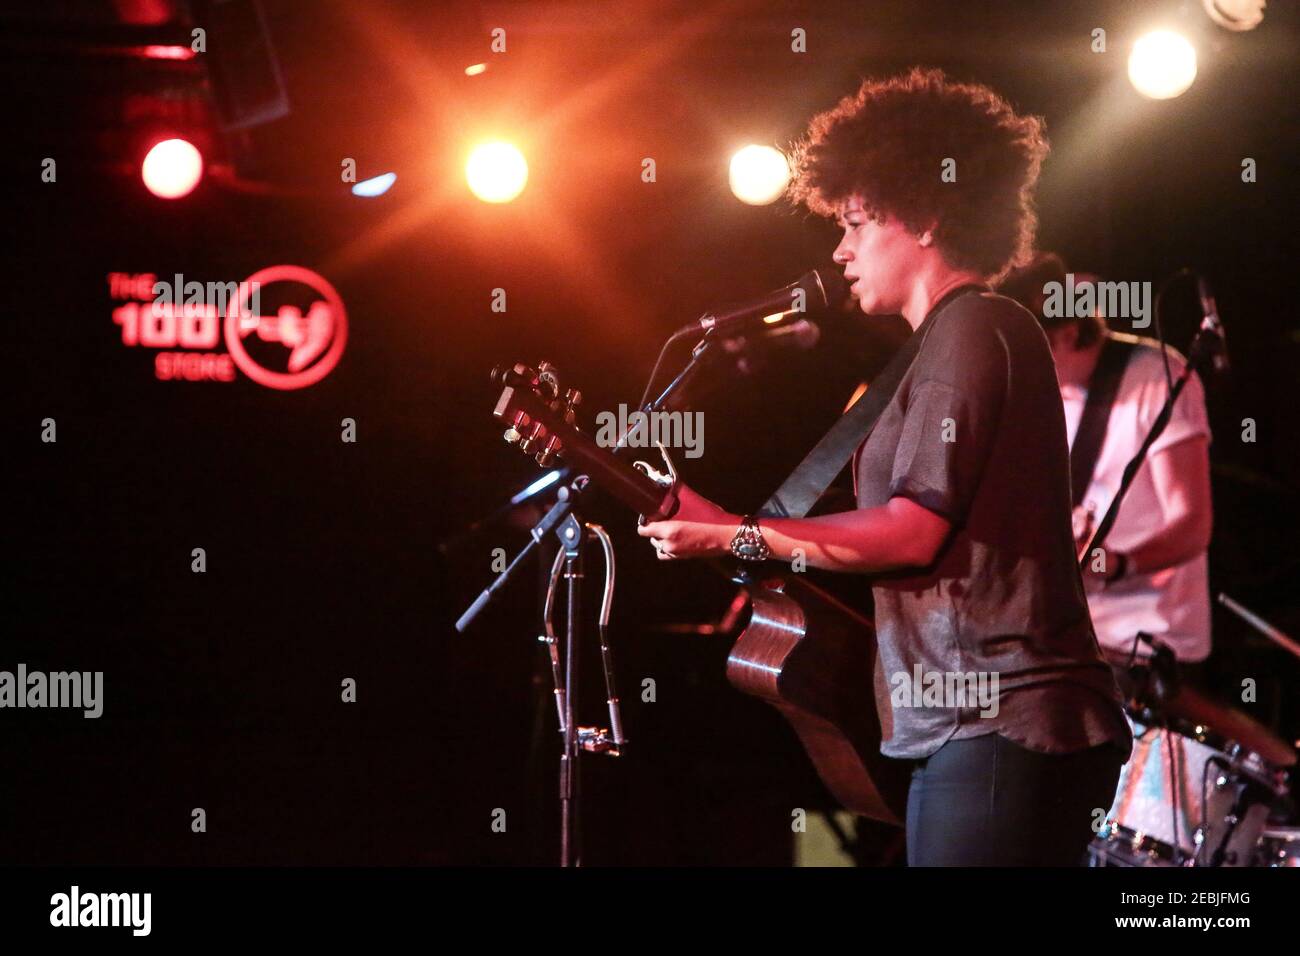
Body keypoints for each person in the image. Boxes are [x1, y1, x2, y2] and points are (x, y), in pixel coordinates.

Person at [636, 68, 1132, 866]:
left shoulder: (975, 327)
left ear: (928, 214)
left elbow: (910, 531)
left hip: (1002, 720)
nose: (840, 248)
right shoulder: (937, 346)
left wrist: (739, 536)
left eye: (858, 222)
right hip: (970, 726)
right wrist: (728, 527)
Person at [998, 254, 1214, 682]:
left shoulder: (1157, 377)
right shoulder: (1040, 396)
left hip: (1144, 644)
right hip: (1063, 635)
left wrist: (1111, 565)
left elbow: (1192, 524)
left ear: (1069, 332)